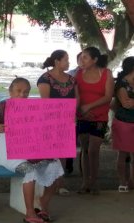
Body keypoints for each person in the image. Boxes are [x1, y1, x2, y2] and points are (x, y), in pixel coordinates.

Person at [0, 77, 63, 223]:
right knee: (30, 170)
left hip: (29, 144)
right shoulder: (0, 105)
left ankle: (44, 204)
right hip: (6, 146)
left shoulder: (32, 107)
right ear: (10, 91)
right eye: (19, 91)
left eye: (26, 92)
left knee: (55, 165)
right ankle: (30, 212)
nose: (22, 95)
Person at [37, 50, 76, 195]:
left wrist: (71, 114)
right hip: (50, 121)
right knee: (50, 153)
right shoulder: (45, 79)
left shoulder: (72, 79)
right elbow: (45, 103)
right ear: (57, 61)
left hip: (68, 121)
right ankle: (48, 184)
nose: (68, 62)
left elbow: (76, 100)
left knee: (64, 153)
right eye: (66, 60)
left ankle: (60, 184)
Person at [75, 46, 114, 195]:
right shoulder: (78, 74)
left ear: (95, 59)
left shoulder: (106, 73)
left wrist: (89, 107)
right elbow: (75, 96)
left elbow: (108, 96)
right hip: (82, 116)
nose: (81, 60)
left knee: (93, 150)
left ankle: (94, 181)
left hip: (100, 117)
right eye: (80, 57)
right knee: (84, 149)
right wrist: (81, 111)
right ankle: (85, 182)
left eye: (85, 57)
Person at [112, 56, 134, 192]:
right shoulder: (121, 83)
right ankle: (122, 181)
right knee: (123, 153)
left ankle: (132, 181)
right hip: (124, 122)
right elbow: (126, 104)